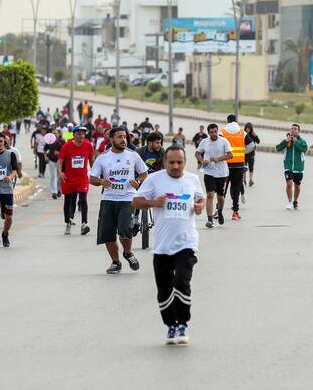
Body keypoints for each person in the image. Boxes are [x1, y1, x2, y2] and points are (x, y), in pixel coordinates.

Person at [133, 145, 205, 345]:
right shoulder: (154, 180)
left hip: (186, 242)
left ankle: (183, 323)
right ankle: (170, 326)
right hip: (163, 245)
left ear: (185, 162)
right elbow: (135, 202)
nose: (175, 166)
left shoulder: (192, 179)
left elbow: (201, 199)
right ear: (164, 162)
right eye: (171, 162)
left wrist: (199, 206)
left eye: (179, 162)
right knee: (164, 289)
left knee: (182, 282)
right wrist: (153, 203)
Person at [89, 127, 148, 274]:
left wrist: (138, 181)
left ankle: (127, 253)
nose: (123, 140)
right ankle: (115, 262)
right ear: (111, 139)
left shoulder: (133, 156)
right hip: (108, 198)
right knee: (108, 233)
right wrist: (102, 181)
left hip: (127, 198)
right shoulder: (103, 158)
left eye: (125, 137)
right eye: (120, 137)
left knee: (125, 229)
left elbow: (144, 173)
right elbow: (92, 178)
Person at [57, 126, 95, 235]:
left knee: (83, 200)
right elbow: (60, 161)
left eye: (83, 134)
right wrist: (60, 172)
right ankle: (68, 223)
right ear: (74, 135)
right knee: (68, 202)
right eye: (79, 134)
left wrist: (94, 172)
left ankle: (84, 224)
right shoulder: (66, 146)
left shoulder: (88, 145)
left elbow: (92, 160)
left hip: (82, 179)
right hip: (68, 179)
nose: (82, 136)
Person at [195, 124, 232, 228]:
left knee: (220, 197)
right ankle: (210, 219)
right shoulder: (204, 142)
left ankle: (219, 211)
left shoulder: (224, 141)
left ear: (217, 131)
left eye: (215, 131)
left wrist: (218, 159)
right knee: (210, 195)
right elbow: (197, 153)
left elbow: (230, 155)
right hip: (209, 172)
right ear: (209, 133)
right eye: (211, 132)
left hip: (222, 173)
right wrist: (202, 161)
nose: (214, 134)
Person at [220, 114, 250, 220]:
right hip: (239, 165)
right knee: (236, 189)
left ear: (227, 121)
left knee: (222, 189)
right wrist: (243, 153)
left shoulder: (222, 132)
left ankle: (218, 211)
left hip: (226, 164)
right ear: (236, 121)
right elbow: (251, 146)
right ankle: (235, 212)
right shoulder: (242, 132)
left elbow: (217, 144)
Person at [276, 123, 308, 210]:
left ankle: (295, 201)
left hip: (299, 168)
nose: (293, 130)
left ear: (298, 131)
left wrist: (295, 142)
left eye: (295, 129)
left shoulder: (302, 141)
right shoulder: (287, 141)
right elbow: (278, 148)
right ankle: (289, 202)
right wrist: (285, 141)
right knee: (289, 184)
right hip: (288, 166)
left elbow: (304, 149)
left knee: (297, 186)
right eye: (292, 129)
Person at [45, 129, 64, 199]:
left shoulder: (62, 141)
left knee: (59, 177)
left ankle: (59, 190)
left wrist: (59, 153)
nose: (54, 135)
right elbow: (45, 149)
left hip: (60, 162)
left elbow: (65, 151)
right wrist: (46, 157)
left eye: (56, 133)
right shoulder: (49, 141)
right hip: (52, 161)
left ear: (58, 134)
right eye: (53, 133)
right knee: (53, 177)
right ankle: (54, 192)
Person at [243, 122, 260, 187]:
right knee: (244, 167)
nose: (248, 130)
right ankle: (244, 180)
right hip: (244, 153)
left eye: (249, 129)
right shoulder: (243, 135)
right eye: (247, 128)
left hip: (251, 154)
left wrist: (256, 135)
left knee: (251, 167)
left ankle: (250, 180)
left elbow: (258, 141)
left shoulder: (253, 135)